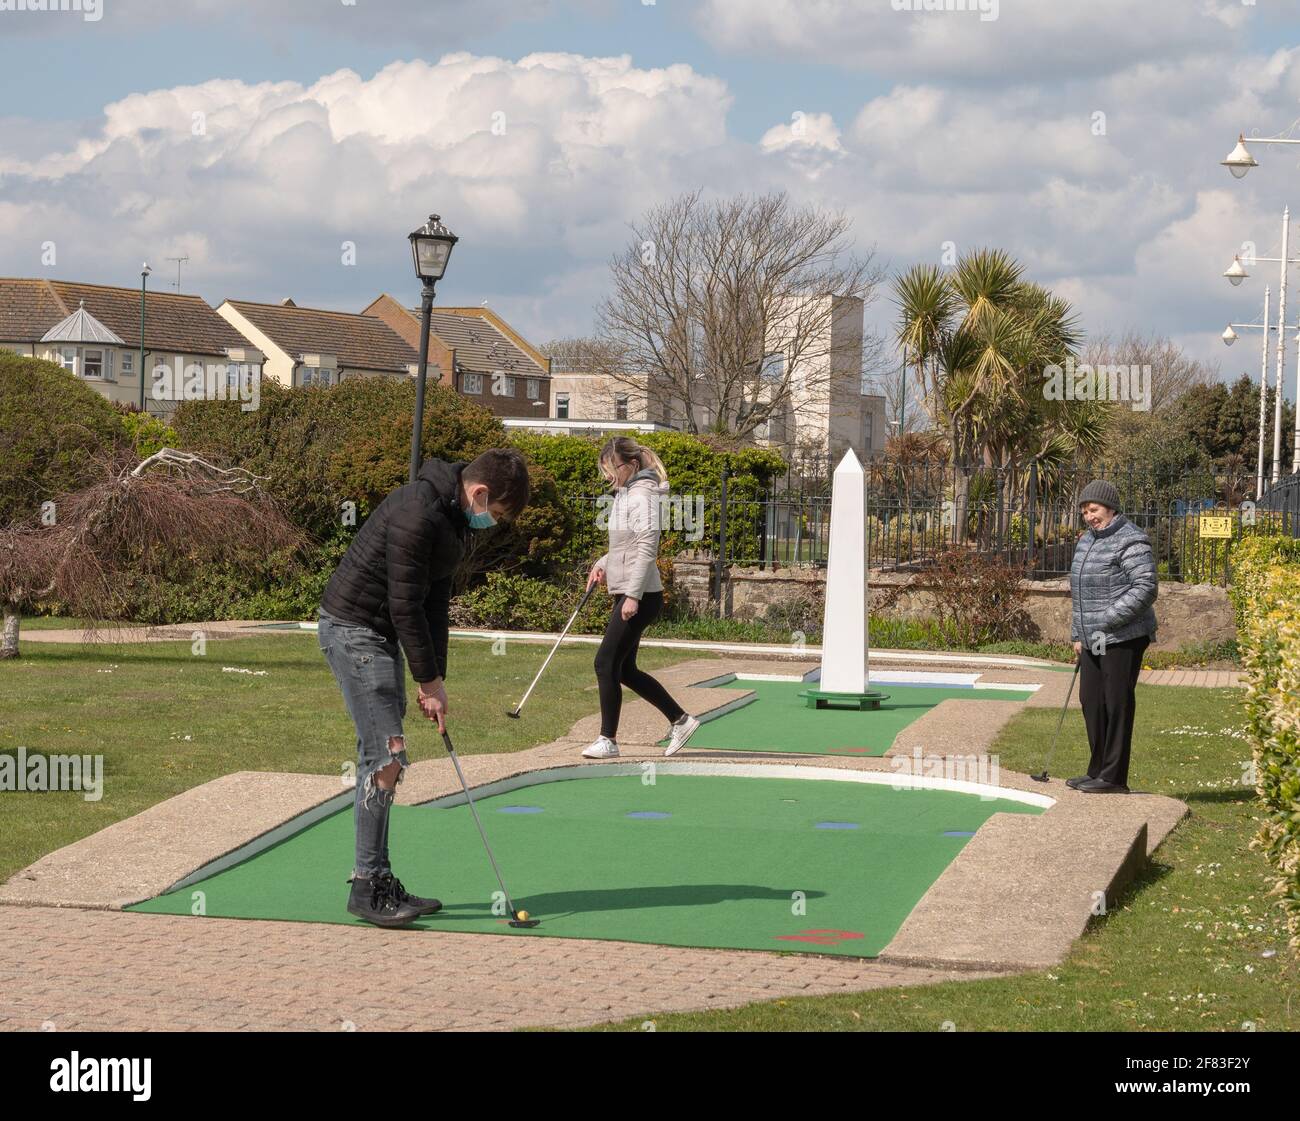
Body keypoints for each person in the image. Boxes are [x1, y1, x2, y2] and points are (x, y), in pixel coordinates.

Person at [317, 448, 531, 926]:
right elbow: (404, 606)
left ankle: (376, 878)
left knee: (384, 756)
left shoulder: (450, 517)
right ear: (478, 493)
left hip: (377, 635)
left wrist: (437, 679)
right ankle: (368, 887)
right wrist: (426, 680)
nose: (491, 523)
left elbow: (435, 604)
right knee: (386, 757)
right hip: (354, 632)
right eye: (493, 513)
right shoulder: (418, 513)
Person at [582, 436, 698, 759]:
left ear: (631, 465)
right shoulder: (626, 494)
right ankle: (681, 720)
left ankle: (607, 740)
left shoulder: (643, 497)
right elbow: (624, 547)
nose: (608, 475)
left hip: (641, 596)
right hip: (633, 592)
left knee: (604, 663)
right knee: (624, 670)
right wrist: (602, 564)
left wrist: (631, 596)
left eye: (612, 468)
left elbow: (647, 548)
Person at [1067, 478, 1157, 794]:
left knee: (1115, 701)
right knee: (1091, 700)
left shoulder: (1131, 540)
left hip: (1124, 635)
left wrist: (1107, 618)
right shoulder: (1086, 540)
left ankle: (1114, 777)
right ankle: (1097, 770)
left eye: (1094, 509)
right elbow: (1079, 592)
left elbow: (1145, 587)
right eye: (1085, 511)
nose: (1089, 516)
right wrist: (1080, 633)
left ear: (1110, 508)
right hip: (1095, 636)